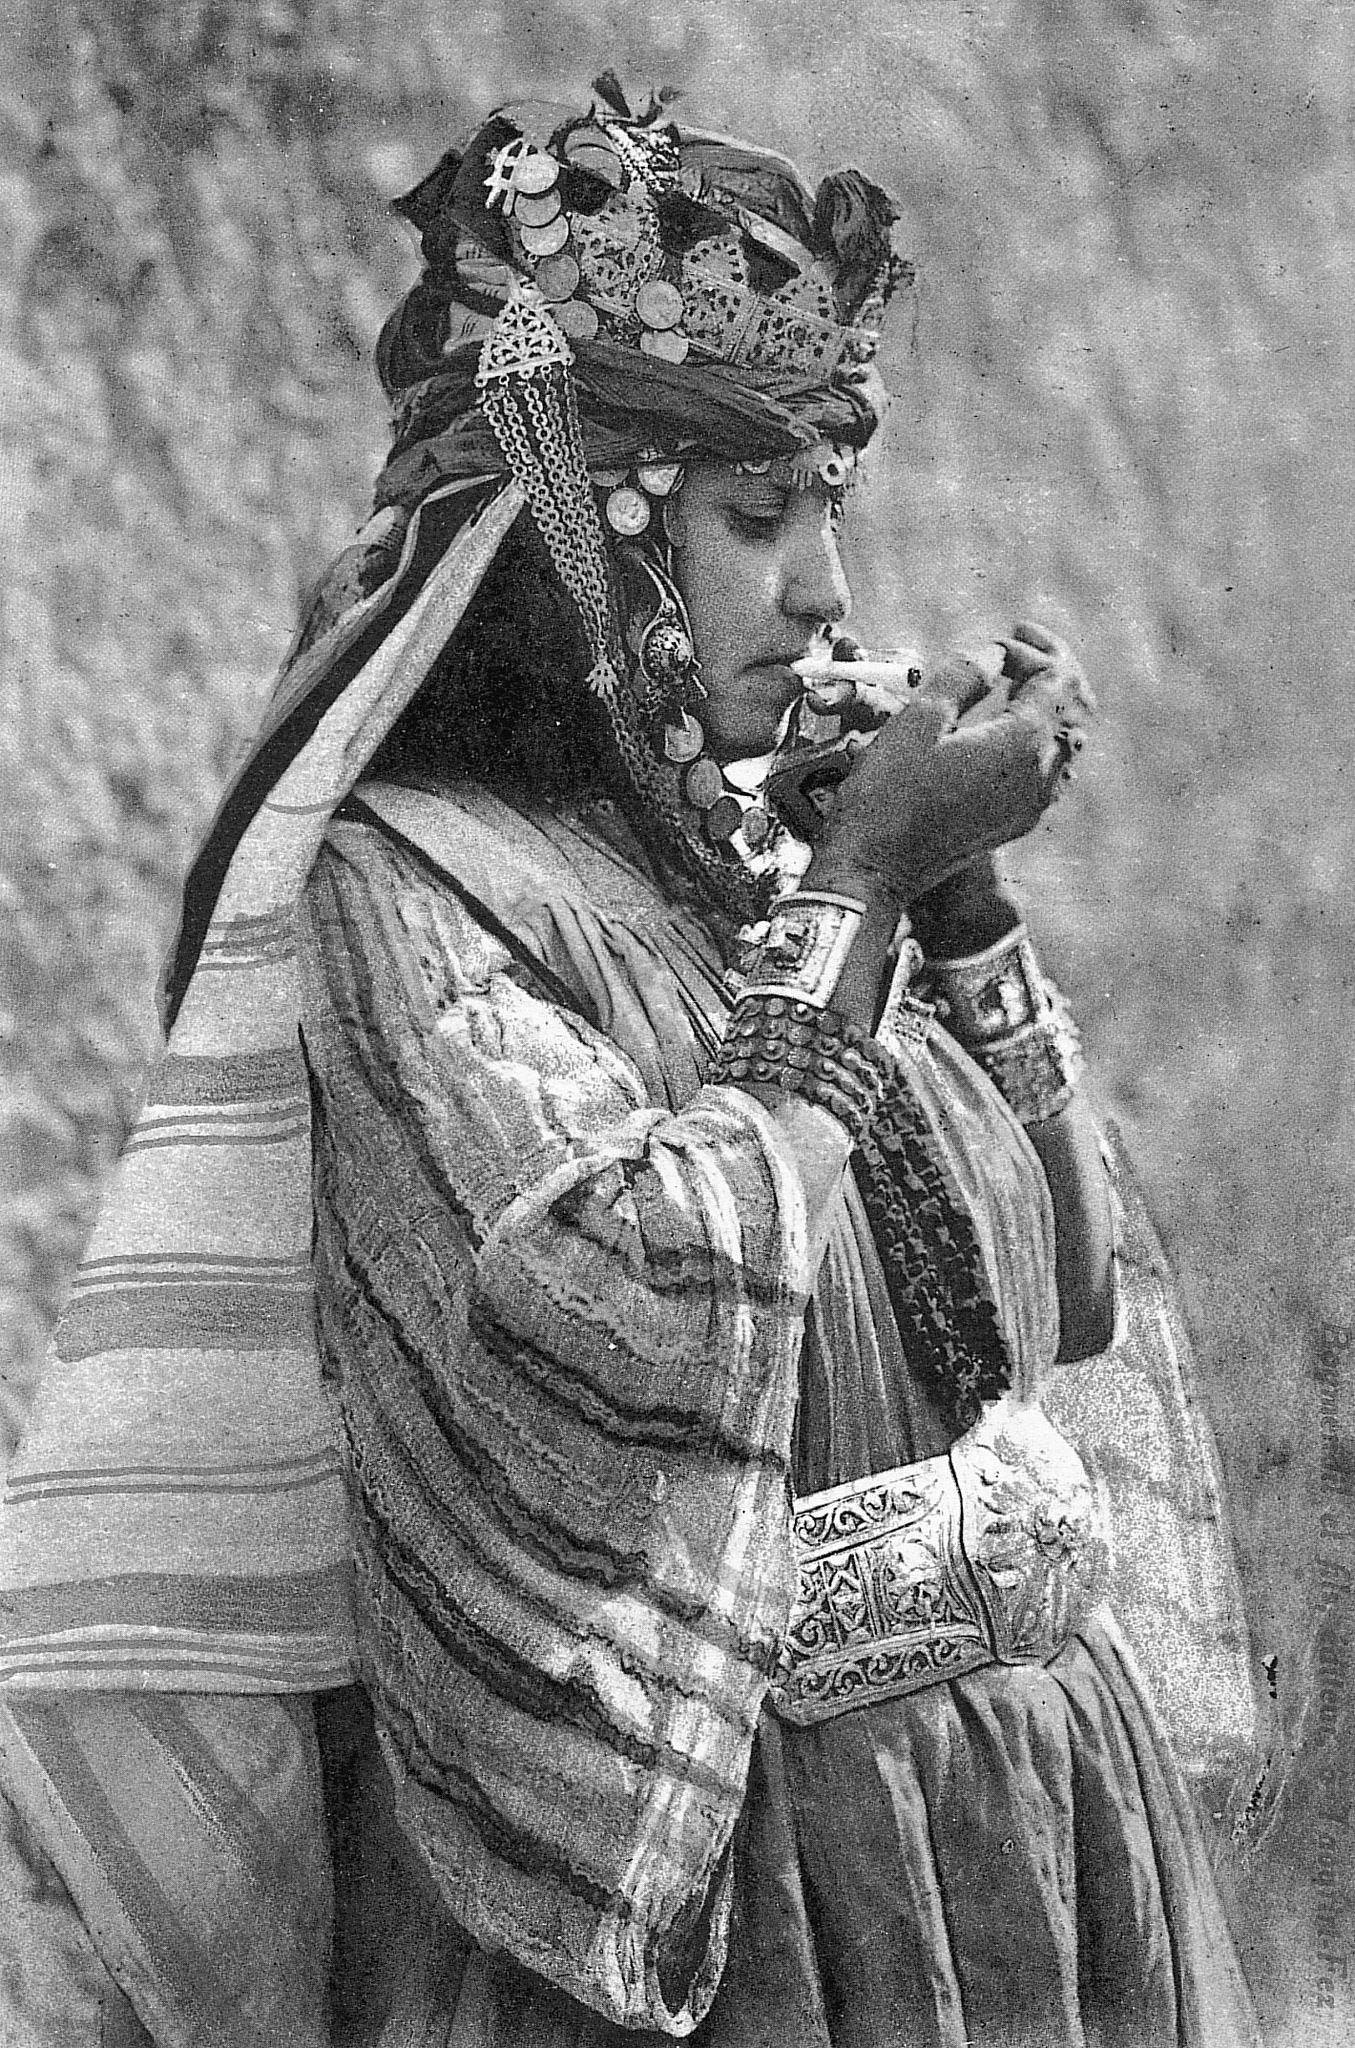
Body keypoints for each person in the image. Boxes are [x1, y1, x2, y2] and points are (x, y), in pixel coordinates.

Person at [0, 85, 1259, 2048]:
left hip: (1011, 1843)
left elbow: (1062, 1301)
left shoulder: (757, 864)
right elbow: (615, 1304)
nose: (831, 590)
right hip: (753, 1910)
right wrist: (860, 882)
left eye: (833, 510)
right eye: (761, 518)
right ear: (570, 551)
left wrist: (961, 902)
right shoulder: (409, 888)